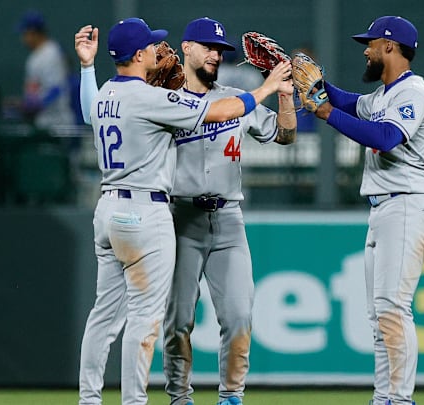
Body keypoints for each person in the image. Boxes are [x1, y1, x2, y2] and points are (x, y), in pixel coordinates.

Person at [74, 17, 292, 405]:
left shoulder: (109, 92)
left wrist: (87, 68)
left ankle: (90, 399)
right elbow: (221, 112)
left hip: (114, 208)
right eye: (155, 48)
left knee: (105, 317)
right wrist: (268, 86)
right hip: (154, 212)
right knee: (151, 321)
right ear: (142, 55)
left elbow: (91, 112)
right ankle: (151, 400)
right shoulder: (153, 97)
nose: (163, 52)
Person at [304, 16, 424, 405]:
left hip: (408, 205)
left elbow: (385, 137)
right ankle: (384, 398)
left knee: (393, 311)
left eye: (370, 44)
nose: (365, 50)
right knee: (380, 318)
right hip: (385, 208)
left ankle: (399, 400)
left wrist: (325, 112)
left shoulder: (414, 92)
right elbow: (349, 101)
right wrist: (315, 85)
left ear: (390, 47)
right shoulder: (385, 94)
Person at [17, 10, 74, 129]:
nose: (23, 38)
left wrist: (34, 105)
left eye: (25, 33)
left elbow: (57, 89)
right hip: (43, 122)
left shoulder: (51, 53)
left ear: (33, 33)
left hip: (57, 123)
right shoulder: (36, 56)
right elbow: (34, 90)